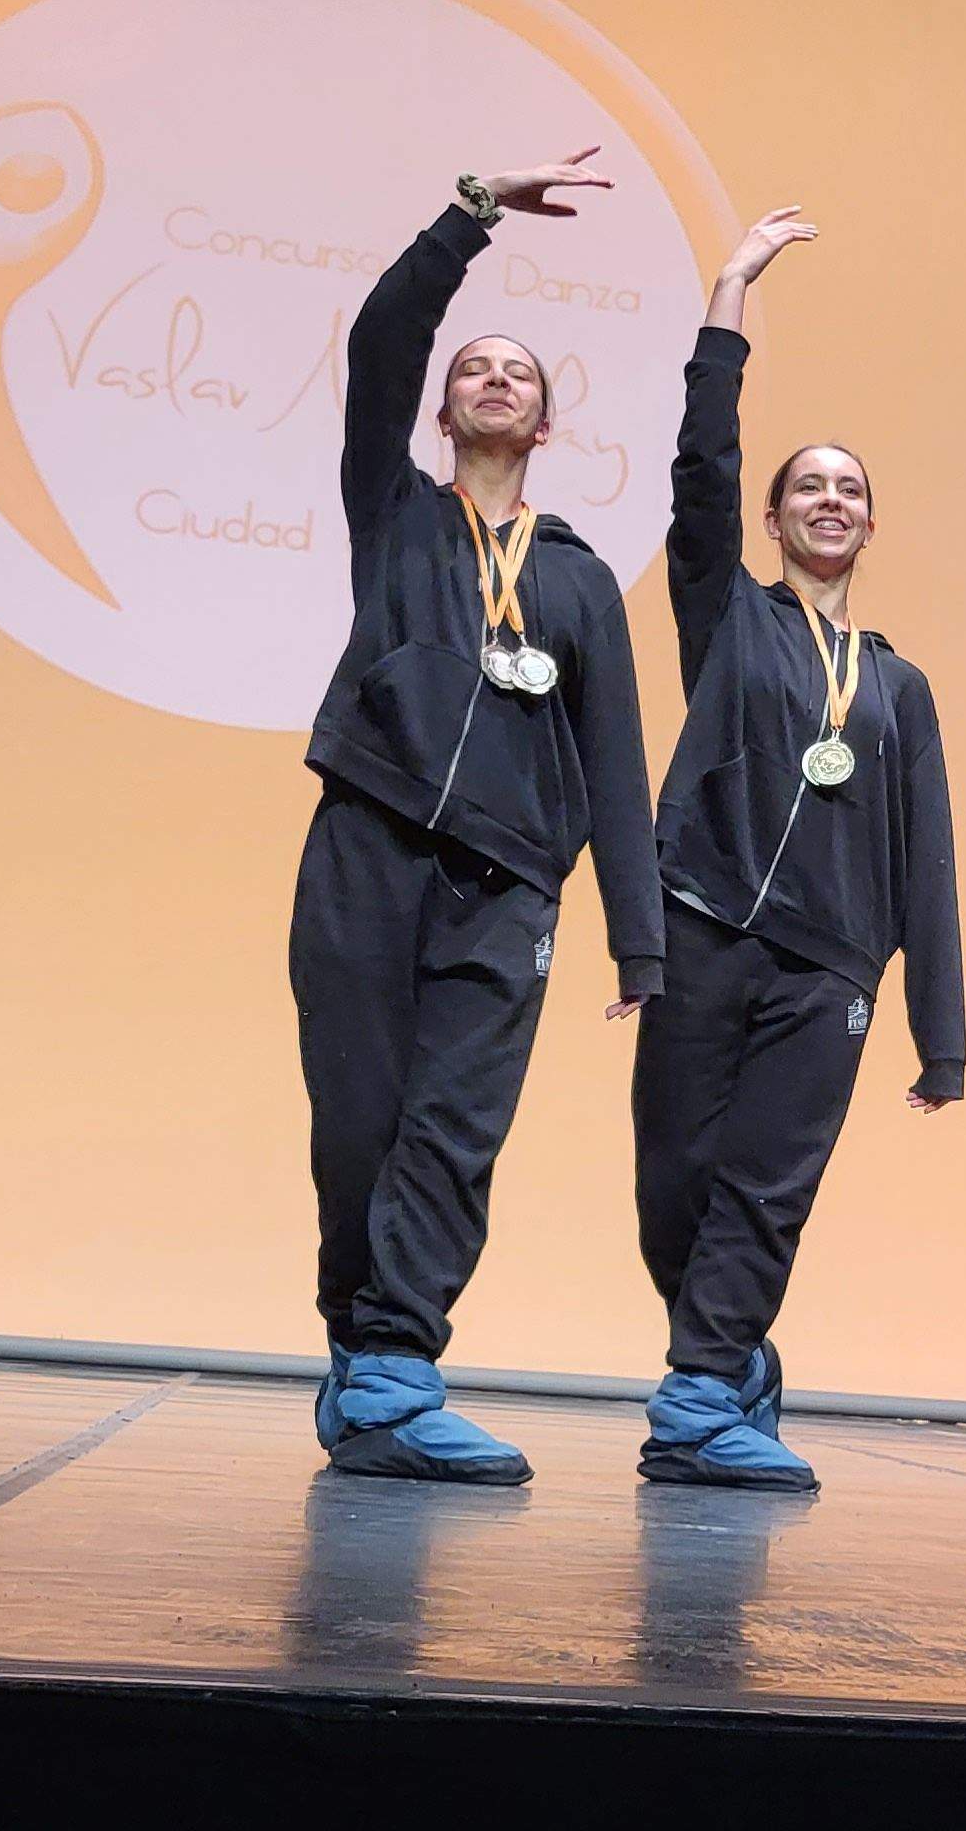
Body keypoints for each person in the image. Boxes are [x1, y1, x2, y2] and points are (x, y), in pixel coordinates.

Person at [292, 152, 665, 1485]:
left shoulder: (578, 581)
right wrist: (470, 219)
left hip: (508, 886)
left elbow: (616, 765)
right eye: (474, 371)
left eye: (518, 373)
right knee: (360, 1126)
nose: (493, 379)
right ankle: (361, 1354)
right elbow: (383, 339)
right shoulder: (394, 514)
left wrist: (641, 939)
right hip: (368, 845)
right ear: (443, 413)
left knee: (454, 1129)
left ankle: (396, 1369)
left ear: (547, 426)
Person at [628, 207, 966, 1491]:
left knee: (768, 1187)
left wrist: (938, 1031)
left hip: (830, 967)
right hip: (704, 925)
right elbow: (695, 481)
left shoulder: (900, 687)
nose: (832, 501)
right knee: (675, 1182)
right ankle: (729, 1361)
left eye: (852, 490)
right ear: (771, 522)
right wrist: (728, 303)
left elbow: (926, 862)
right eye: (809, 486)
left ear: (868, 528)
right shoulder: (728, 625)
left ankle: (702, 1396)